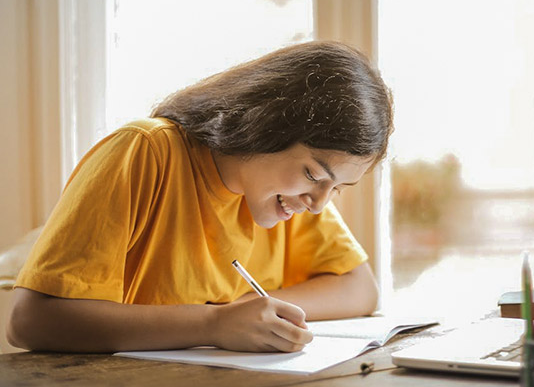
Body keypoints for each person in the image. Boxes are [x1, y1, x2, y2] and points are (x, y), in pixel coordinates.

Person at [7, 40, 393, 354]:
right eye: (313, 175)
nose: (319, 203)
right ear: (265, 126)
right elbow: (30, 321)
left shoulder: (291, 197)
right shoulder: (145, 152)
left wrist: (253, 310)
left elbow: (360, 288)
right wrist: (214, 324)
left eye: (337, 188)